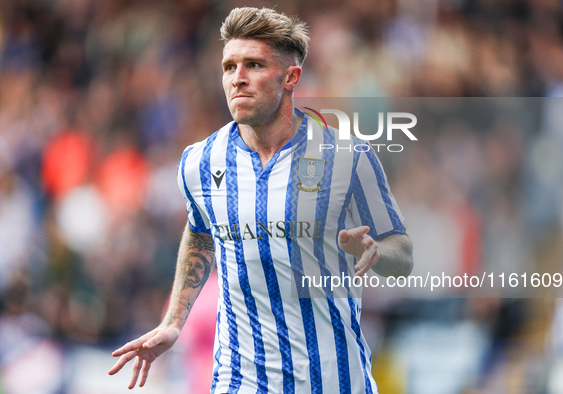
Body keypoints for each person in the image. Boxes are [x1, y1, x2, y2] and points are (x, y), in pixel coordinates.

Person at [108, 6, 413, 393]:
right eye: (228, 66)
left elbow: (401, 252)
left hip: (334, 380)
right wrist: (174, 321)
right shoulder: (200, 161)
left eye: (253, 65)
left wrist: (376, 253)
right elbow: (201, 231)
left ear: (291, 77)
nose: (237, 79)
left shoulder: (348, 158)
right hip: (241, 382)